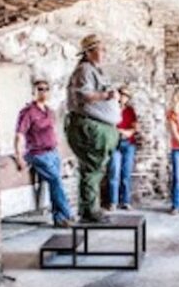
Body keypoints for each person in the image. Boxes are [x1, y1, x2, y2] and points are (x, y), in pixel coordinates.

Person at [66, 34, 121, 222]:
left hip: (100, 126)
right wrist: (107, 95)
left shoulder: (95, 70)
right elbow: (84, 95)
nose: (104, 52)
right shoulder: (84, 70)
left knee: (95, 168)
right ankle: (90, 210)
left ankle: (91, 207)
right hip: (90, 126)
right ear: (88, 52)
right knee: (92, 168)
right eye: (100, 49)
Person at [14, 79, 75, 227]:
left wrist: (59, 150)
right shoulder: (28, 112)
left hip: (52, 152)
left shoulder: (50, 112)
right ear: (33, 92)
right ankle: (67, 215)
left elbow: (53, 133)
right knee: (56, 180)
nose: (43, 92)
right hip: (38, 153)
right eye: (40, 89)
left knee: (56, 184)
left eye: (46, 89)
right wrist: (19, 156)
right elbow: (19, 135)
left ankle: (59, 219)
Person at [107, 85, 138, 210]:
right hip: (114, 143)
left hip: (128, 144)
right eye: (122, 95)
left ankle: (125, 201)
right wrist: (120, 131)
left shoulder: (130, 111)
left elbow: (135, 128)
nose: (123, 98)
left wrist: (125, 132)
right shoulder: (111, 109)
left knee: (126, 173)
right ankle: (113, 202)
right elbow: (108, 127)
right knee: (114, 173)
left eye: (126, 96)